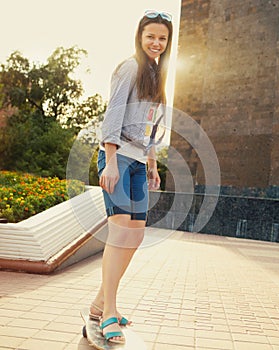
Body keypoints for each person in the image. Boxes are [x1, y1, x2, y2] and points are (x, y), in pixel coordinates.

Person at [90, 10, 173, 344]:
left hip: (139, 162)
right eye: (150, 36)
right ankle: (109, 310)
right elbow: (115, 112)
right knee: (120, 233)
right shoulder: (130, 67)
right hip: (118, 158)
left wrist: (152, 161)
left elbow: (149, 124)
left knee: (135, 236)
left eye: (162, 38)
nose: (156, 43)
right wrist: (110, 161)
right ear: (140, 37)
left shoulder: (157, 74)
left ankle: (99, 302)